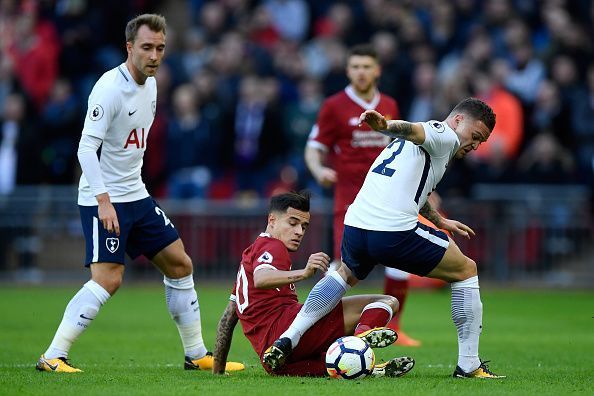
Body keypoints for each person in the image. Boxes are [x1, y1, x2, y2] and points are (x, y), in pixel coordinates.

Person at [35, 14, 243, 373]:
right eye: (147, 47)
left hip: (136, 194)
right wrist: (103, 200)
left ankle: (196, 355)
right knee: (108, 279)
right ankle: (53, 355)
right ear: (129, 47)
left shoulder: (152, 84)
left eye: (160, 48)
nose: (155, 55)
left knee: (180, 264)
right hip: (104, 198)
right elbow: (86, 149)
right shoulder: (108, 88)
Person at [264, 98, 506, 379]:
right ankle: (469, 365)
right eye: (475, 137)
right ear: (458, 121)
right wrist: (386, 125)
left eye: (481, 142)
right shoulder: (444, 134)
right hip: (392, 230)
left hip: (357, 225)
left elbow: (419, 189)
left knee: (344, 275)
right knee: (466, 270)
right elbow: (413, 130)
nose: (475, 146)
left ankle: (289, 337)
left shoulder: (427, 149)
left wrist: (439, 220)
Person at [211, 191, 415, 377]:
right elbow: (262, 278)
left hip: (276, 361)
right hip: (289, 330)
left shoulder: (249, 256)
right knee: (388, 301)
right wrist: (304, 273)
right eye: (292, 223)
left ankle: (371, 369)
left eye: (304, 226)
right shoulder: (272, 246)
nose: (299, 231)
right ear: (272, 221)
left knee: (330, 363)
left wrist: (218, 370)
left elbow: (228, 318)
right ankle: (362, 334)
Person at [305, 43, 420, 346]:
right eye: (355, 66)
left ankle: (393, 326)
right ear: (348, 70)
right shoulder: (334, 106)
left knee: (399, 262)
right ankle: (318, 323)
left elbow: (404, 148)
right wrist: (319, 171)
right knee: (344, 265)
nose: (361, 72)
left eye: (366, 66)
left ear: (377, 70)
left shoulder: (390, 105)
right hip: (351, 201)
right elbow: (314, 148)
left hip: (389, 198)